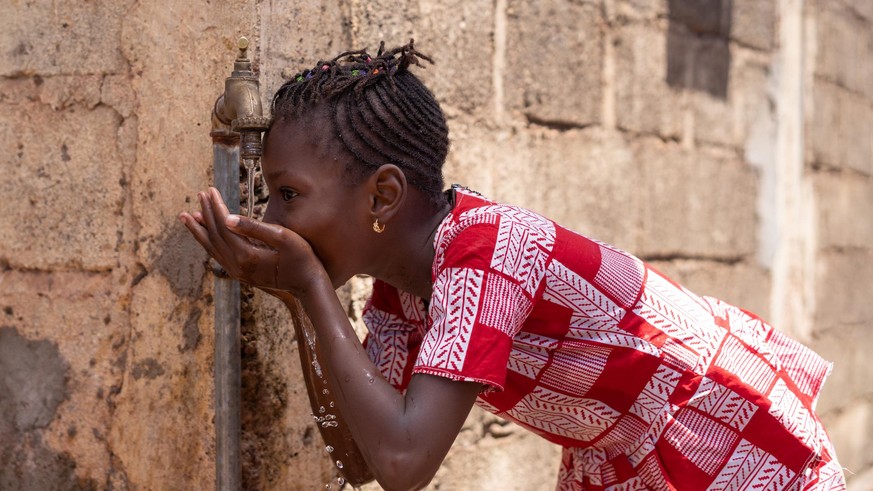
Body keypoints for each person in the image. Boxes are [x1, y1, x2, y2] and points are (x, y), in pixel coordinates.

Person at [179, 40, 847, 490]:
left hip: (718, 433)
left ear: (381, 195)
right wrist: (302, 299)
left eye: (288, 194)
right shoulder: (397, 298)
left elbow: (405, 459)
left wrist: (312, 290)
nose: (274, 218)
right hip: (620, 454)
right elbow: (360, 460)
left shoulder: (490, 250)